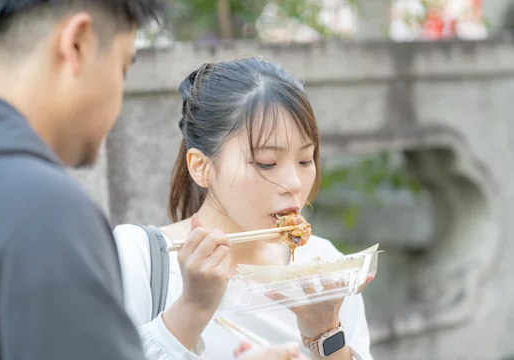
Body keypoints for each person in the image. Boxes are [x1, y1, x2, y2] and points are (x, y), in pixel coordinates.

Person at [0, 2, 306, 359]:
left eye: (306, 159)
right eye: (122, 67)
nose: (293, 182)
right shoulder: (46, 211)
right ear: (77, 45)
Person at [114, 58, 375, 360]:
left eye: (305, 160)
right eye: (266, 163)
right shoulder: (139, 258)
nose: (294, 183)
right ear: (202, 167)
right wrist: (193, 307)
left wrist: (326, 334)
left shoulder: (323, 266)